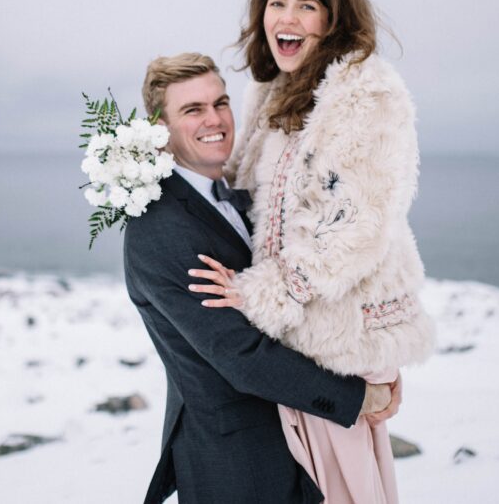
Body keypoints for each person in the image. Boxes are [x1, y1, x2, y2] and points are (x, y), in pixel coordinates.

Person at [189, 0, 435, 504]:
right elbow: (239, 181)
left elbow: (354, 226)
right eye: (277, 3)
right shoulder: (272, 89)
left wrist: (261, 293)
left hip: (339, 340)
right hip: (297, 341)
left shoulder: (366, 96)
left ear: (334, 19)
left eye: (307, 6)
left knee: (341, 491)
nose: (287, 19)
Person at [123, 52, 400, 504]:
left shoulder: (238, 198)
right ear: (160, 129)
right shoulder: (160, 229)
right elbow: (242, 356)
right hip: (241, 466)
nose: (214, 119)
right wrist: (356, 398)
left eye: (220, 102)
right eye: (192, 110)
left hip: (291, 445)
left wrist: (376, 352)